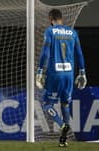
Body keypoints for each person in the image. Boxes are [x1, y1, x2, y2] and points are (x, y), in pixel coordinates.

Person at [36, 9, 87, 147]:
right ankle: (63, 140)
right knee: (65, 103)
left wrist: (40, 71)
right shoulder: (73, 32)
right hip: (69, 75)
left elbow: (45, 53)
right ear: (61, 18)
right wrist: (82, 73)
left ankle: (62, 124)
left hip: (55, 74)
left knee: (47, 104)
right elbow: (79, 54)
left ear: (50, 19)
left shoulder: (50, 31)